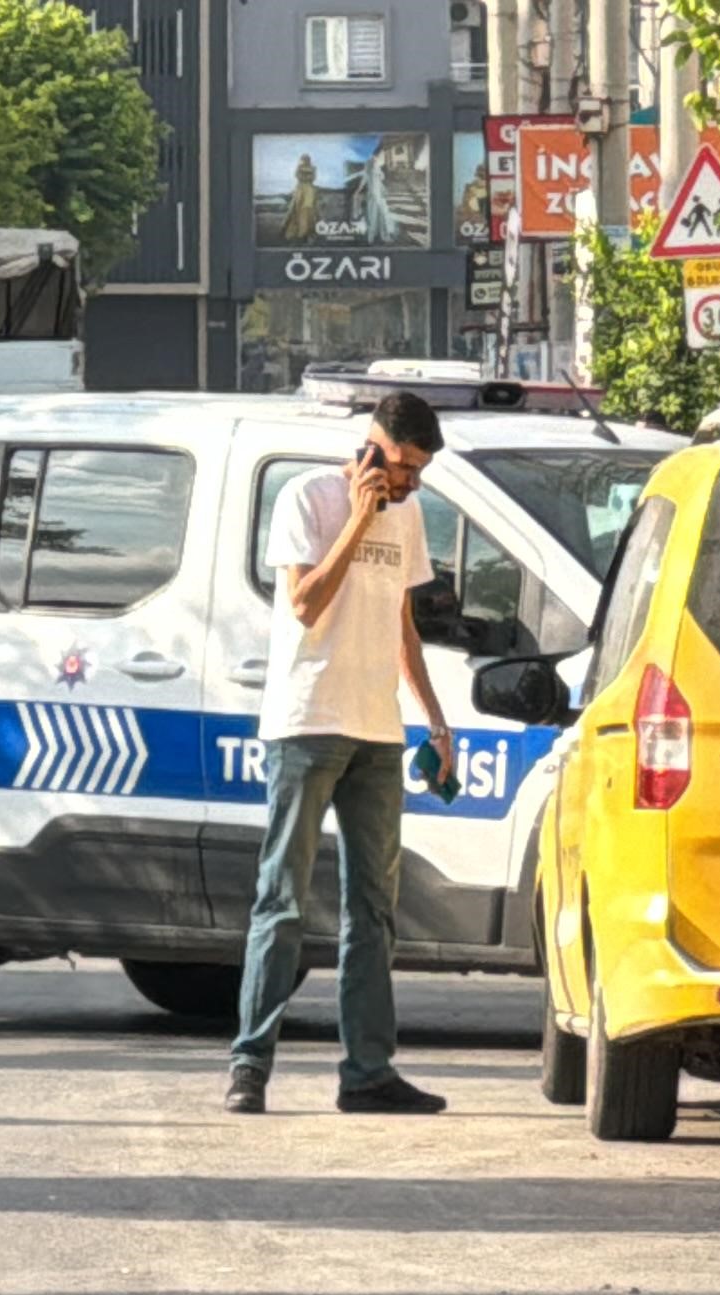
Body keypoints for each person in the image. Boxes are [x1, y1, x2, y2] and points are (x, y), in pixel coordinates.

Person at [225, 390, 456, 1117]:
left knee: (374, 909)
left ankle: (367, 1073)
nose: (408, 483)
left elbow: (402, 624)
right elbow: (304, 605)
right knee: (283, 899)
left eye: (418, 473)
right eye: (402, 467)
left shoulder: (411, 514)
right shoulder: (309, 498)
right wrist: (359, 517)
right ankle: (250, 1066)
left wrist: (436, 720)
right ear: (373, 445)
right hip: (307, 721)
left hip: (378, 732)